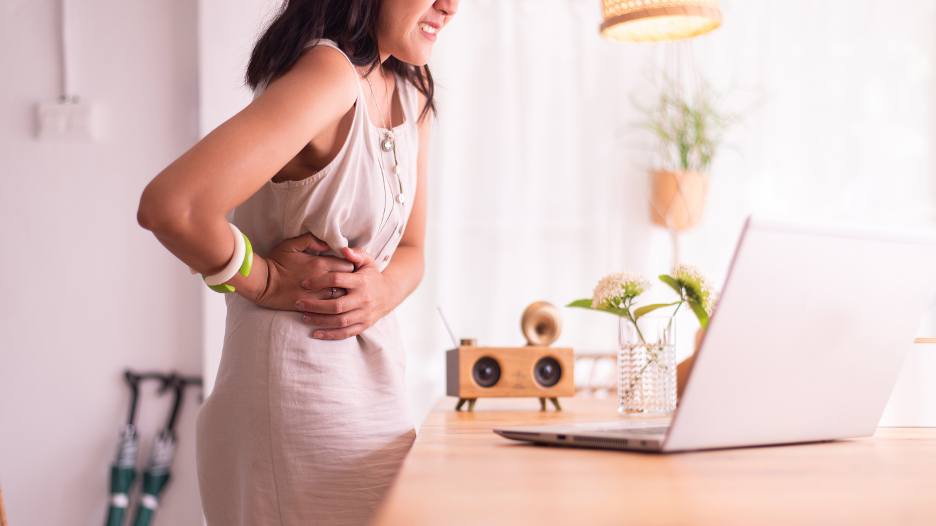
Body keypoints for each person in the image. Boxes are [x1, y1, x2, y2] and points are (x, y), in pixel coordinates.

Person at [137, 0, 459, 523]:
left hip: (375, 394)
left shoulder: (411, 87)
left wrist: (381, 292)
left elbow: (412, 250)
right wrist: (261, 279)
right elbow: (174, 207)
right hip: (292, 403)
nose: (450, 5)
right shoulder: (330, 74)